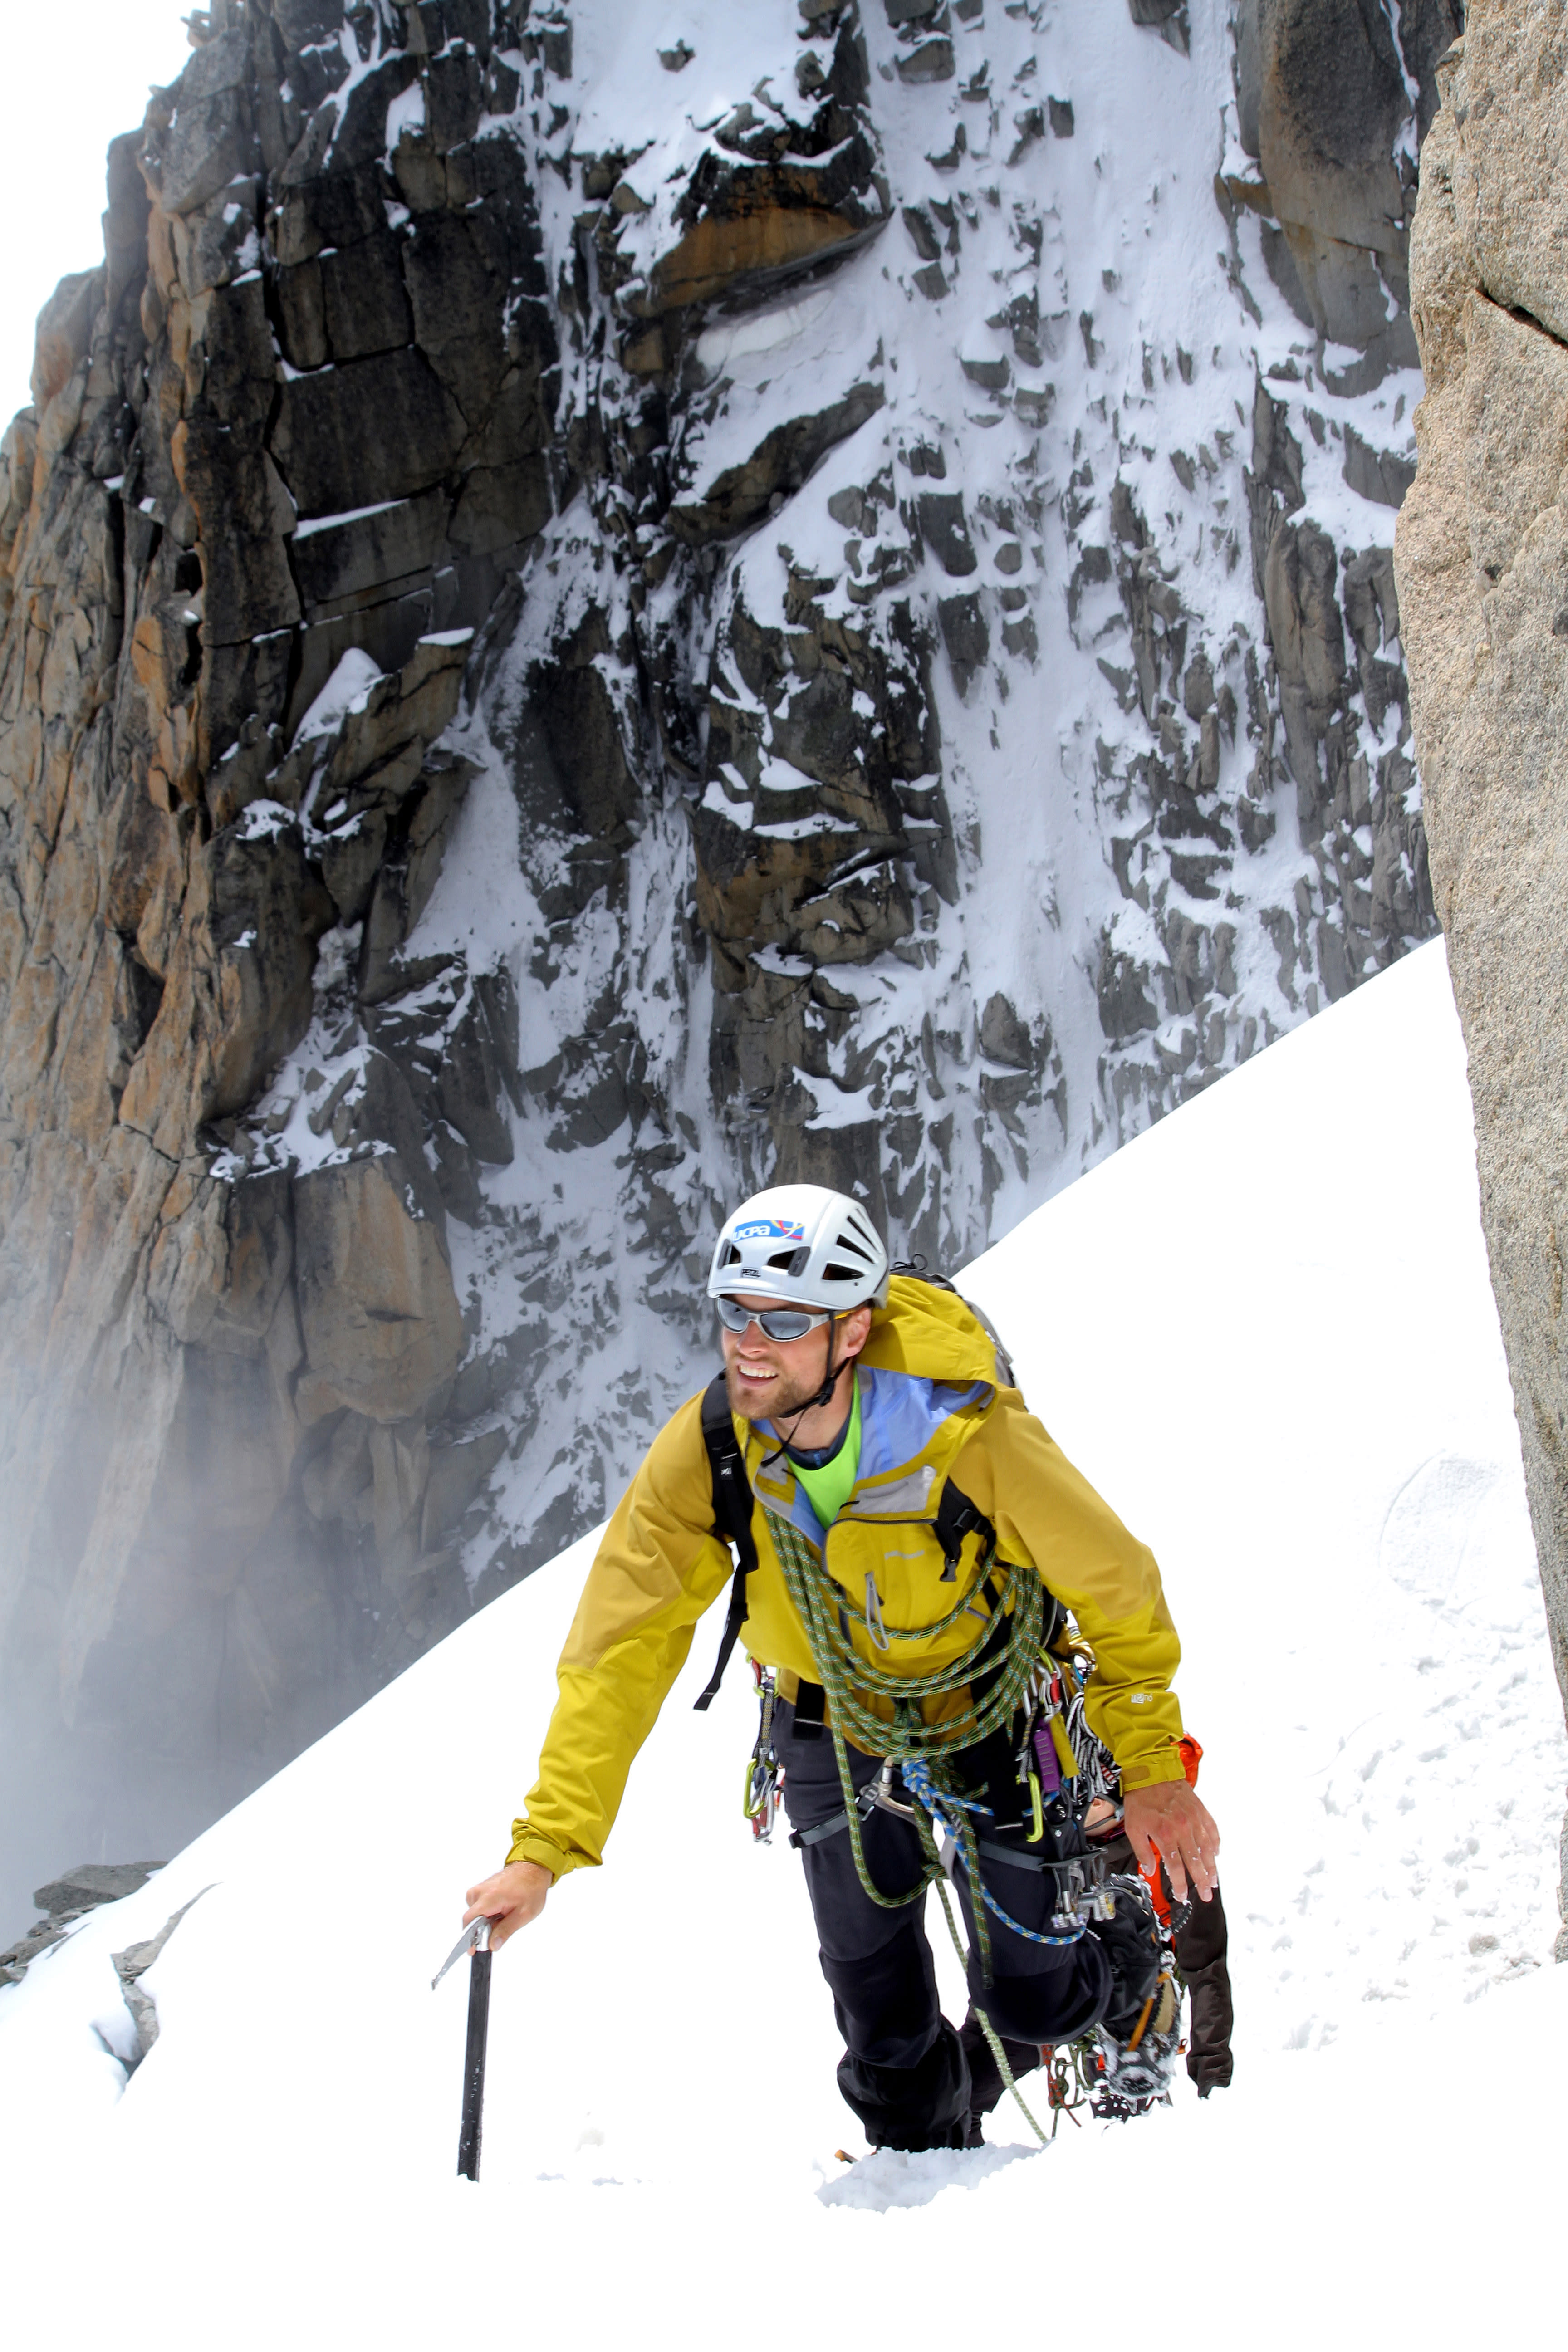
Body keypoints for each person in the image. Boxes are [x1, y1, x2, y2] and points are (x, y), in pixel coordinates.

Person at [462, 1184, 1220, 2151]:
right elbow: (620, 1651)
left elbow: (1118, 1588)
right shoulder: (713, 1450)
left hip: (984, 1709)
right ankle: (936, 2177)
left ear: (853, 1332)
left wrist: (1151, 1768)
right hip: (829, 1720)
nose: (750, 1343)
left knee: (1038, 2002)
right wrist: (544, 1848)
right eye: (735, 1312)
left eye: (785, 1321)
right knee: (887, 2053)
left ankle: (1128, 1975)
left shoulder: (964, 1431)